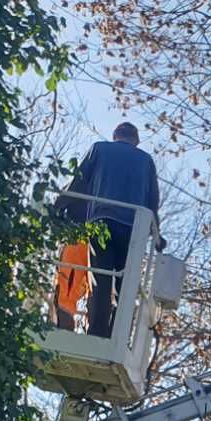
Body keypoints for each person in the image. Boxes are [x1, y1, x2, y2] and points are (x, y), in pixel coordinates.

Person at [58, 121, 161, 338]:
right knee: (127, 283)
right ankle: (119, 334)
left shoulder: (100, 149)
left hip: (101, 222)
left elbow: (78, 181)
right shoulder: (146, 160)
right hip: (135, 229)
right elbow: (153, 202)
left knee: (101, 281)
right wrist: (157, 234)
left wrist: (57, 206)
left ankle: (98, 334)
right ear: (136, 141)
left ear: (115, 136)